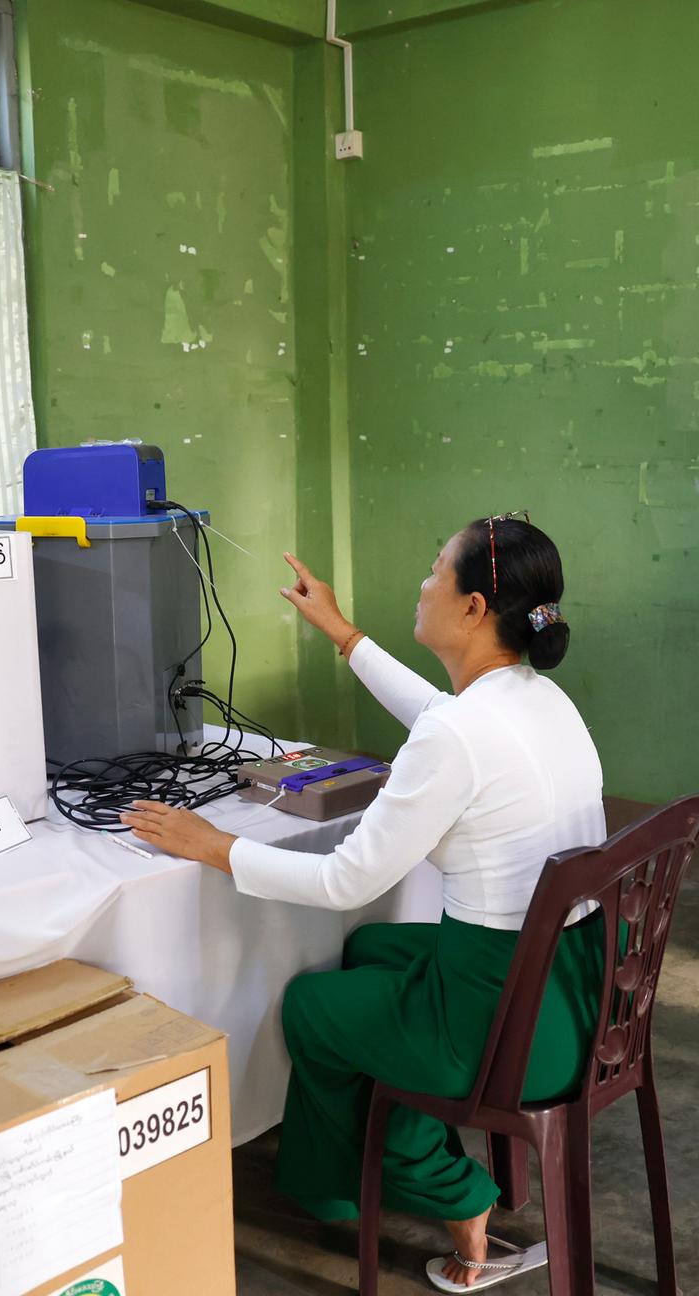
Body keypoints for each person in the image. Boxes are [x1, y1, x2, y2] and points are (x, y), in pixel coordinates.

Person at [121, 514, 605, 1290]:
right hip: (576, 992)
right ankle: (342, 1182)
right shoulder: (535, 698)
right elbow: (440, 720)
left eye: (433, 571)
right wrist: (342, 633)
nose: (421, 583)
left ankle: (448, 1195)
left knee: (314, 1006)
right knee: (371, 953)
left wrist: (216, 847)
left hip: (506, 1024)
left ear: (474, 608)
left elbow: (348, 880)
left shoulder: (459, 735)